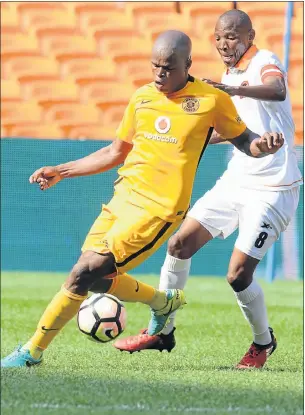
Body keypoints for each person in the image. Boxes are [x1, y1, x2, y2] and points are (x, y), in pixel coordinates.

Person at [2, 29, 283, 368]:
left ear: (188, 64)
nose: (160, 74)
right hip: (123, 198)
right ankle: (162, 301)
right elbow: (114, 151)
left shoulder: (210, 100)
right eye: (155, 67)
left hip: (159, 209)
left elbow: (246, 140)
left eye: (168, 67)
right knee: (98, 278)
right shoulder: (142, 98)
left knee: (84, 271)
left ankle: (31, 351)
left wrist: (262, 146)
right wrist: (62, 170)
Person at [114, 11, 302, 370]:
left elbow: (277, 90)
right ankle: (162, 330)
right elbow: (229, 132)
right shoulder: (228, 76)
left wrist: (232, 89)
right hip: (237, 178)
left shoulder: (264, 61)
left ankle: (263, 343)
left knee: (237, 275)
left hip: (274, 187)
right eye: (218, 37)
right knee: (179, 244)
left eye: (232, 36)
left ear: (250, 35)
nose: (224, 44)